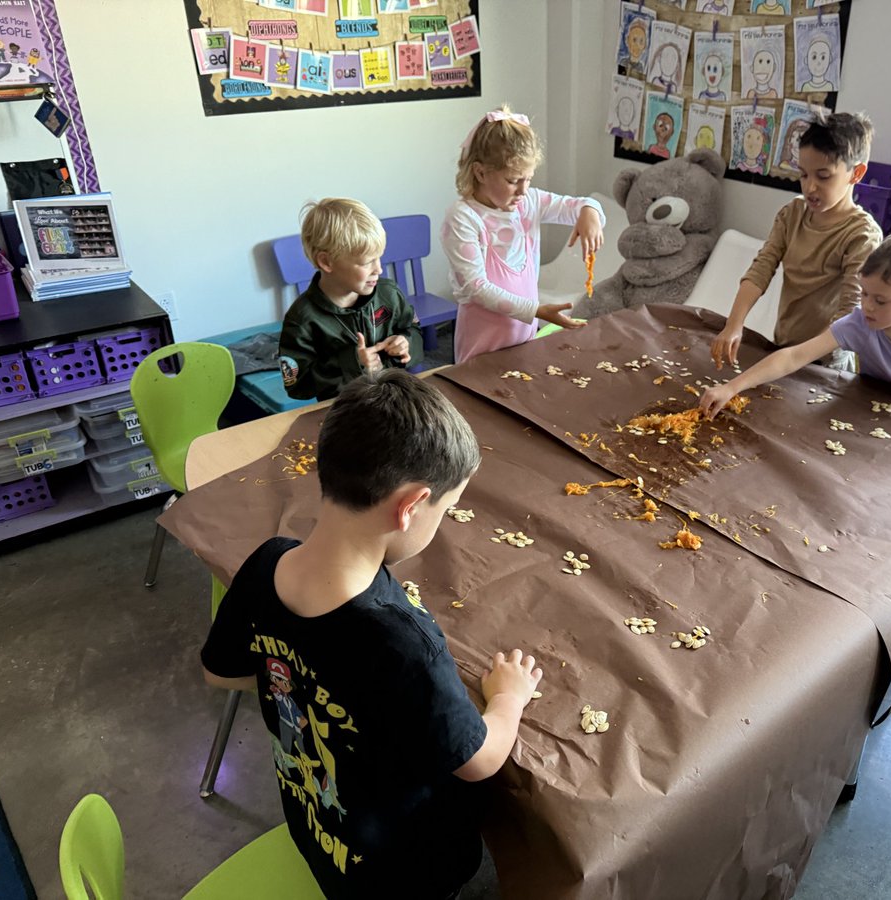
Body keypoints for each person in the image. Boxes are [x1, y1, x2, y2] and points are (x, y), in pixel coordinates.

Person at [201, 370, 543, 899]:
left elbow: (220, 673)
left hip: (320, 836)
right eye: (444, 511)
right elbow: (478, 762)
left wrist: (302, 680)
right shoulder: (402, 643)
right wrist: (509, 700)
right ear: (410, 507)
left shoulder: (265, 563)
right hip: (403, 874)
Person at [700, 231, 891, 429]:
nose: (867, 306)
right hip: (877, 404)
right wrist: (732, 387)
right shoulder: (859, 323)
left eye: (880, 300)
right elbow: (794, 357)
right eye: (864, 293)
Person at [711, 111, 882, 370]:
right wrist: (734, 324)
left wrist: (796, 358)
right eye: (803, 175)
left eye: (823, 176)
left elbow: (851, 310)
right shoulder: (792, 214)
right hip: (784, 346)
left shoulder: (861, 234)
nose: (810, 187)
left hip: (826, 362)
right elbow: (761, 268)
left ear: (856, 174)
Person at [441, 106, 604, 363]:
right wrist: (536, 310)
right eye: (513, 180)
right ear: (480, 172)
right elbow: (477, 288)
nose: (523, 190)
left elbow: (577, 205)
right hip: (482, 342)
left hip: (523, 337)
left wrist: (590, 211)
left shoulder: (530, 202)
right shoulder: (463, 218)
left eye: (528, 179)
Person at [278, 198, 423, 401]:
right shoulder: (301, 319)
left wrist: (406, 343)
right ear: (326, 262)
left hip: (396, 398)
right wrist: (352, 362)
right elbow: (297, 386)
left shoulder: (389, 293)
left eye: (379, 257)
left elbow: (413, 330)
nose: (379, 269)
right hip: (344, 410)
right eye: (367, 262)